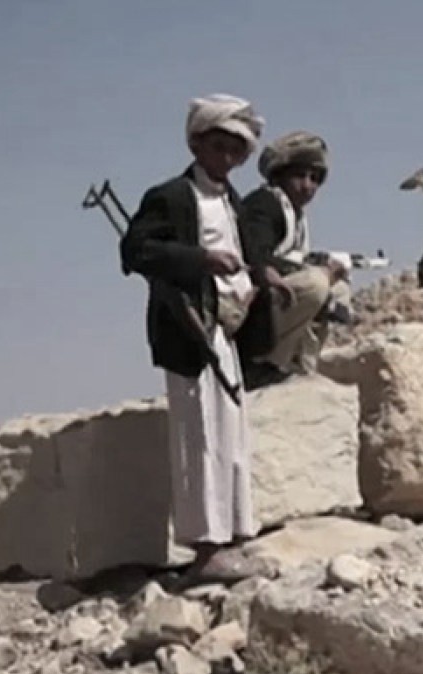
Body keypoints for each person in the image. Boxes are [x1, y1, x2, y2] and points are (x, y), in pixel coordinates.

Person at [120, 94, 278, 583]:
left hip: (227, 330)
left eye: (236, 149)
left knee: (232, 436)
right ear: (196, 144)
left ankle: (233, 539)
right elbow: (135, 250)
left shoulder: (233, 201)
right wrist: (200, 261)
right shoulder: (170, 196)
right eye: (219, 146)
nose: (227, 157)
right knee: (200, 438)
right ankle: (205, 552)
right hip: (189, 332)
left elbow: (246, 253)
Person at [237, 130, 350, 389]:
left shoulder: (295, 216)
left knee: (338, 288)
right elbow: (255, 256)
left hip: (271, 301)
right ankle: (262, 364)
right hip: (252, 307)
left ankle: (300, 364)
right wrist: (316, 270)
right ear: (279, 176)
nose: (308, 186)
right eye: (300, 176)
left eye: (315, 179)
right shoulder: (265, 204)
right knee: (316, 284)